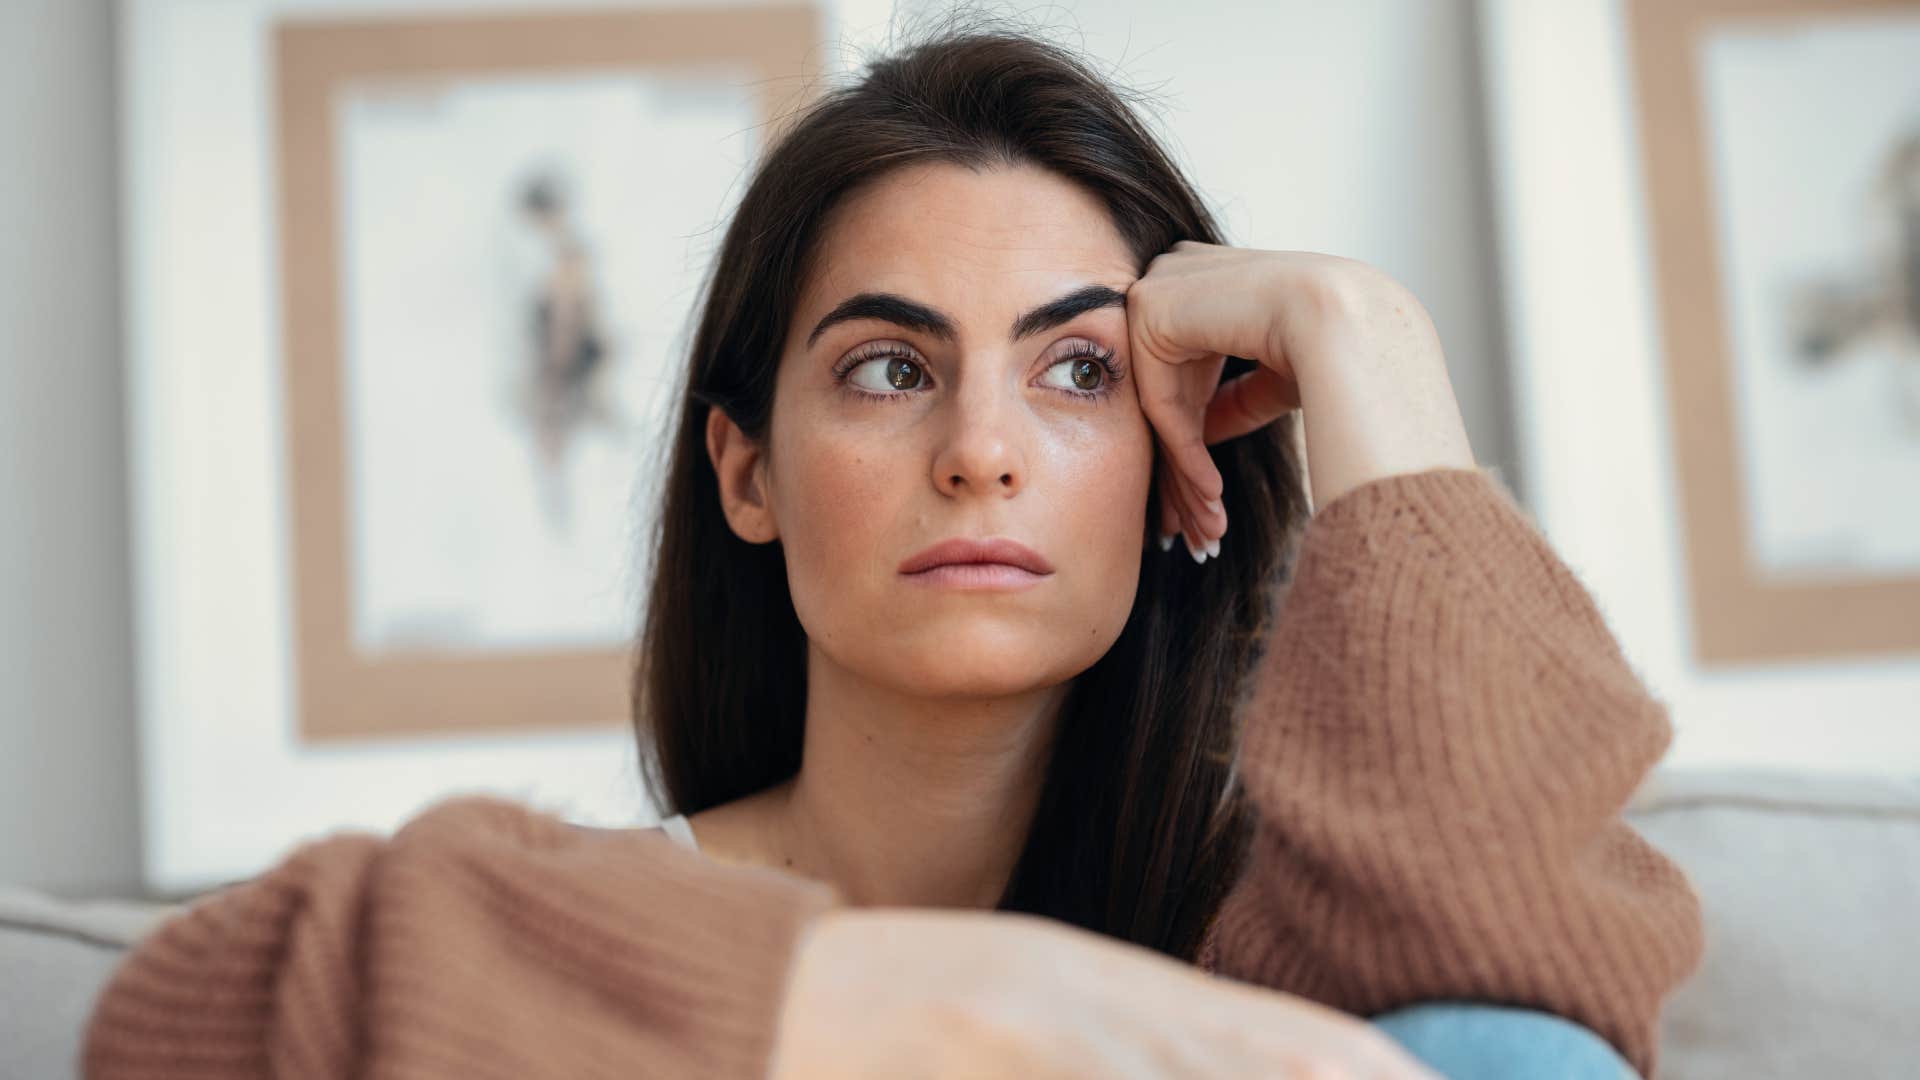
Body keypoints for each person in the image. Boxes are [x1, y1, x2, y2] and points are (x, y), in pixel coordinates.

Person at [83, 21, 1703, 1080]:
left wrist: (1368, 336)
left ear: (1169, 468)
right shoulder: (570, 951)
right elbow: (168, 1027)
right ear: (748, 476)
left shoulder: (1271, 946)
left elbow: (1524, 996)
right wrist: (973, 1013)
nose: (980, 449)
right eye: (888, 367)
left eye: (1079, 372)